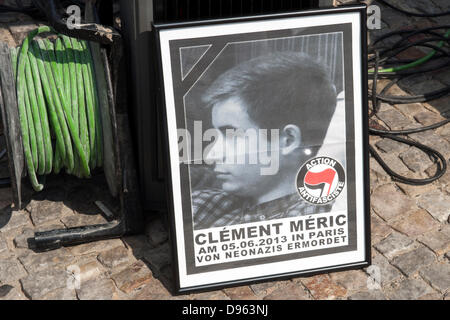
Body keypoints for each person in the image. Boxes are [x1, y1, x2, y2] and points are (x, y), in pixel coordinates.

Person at [192, 51, 338, 230]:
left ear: (287, 140)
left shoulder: (316, 222)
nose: (212, 154)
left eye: (231, 135)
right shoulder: (204, 204)